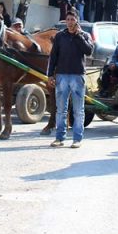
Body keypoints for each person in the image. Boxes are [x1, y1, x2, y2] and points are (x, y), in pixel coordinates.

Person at [47, 9, 93, 148]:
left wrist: (78, 36)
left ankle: (77, 138)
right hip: (61, 76)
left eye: (72, 20)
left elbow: (89, 51)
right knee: (61, 109)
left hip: (77, 76)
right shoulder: (60, 36)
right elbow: (53, 56)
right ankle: (60, 138)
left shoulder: (84, 35)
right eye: (67, 19)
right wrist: (50, 74)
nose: (70, 22)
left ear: (77, 21)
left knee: (78, 110)